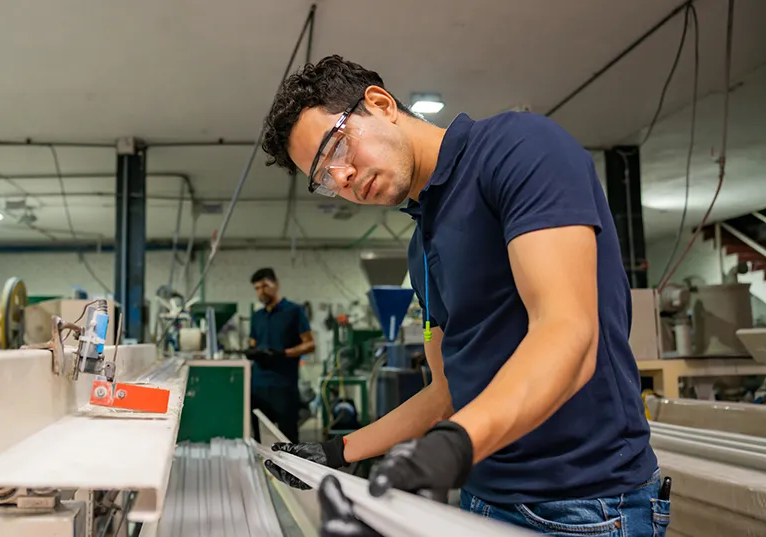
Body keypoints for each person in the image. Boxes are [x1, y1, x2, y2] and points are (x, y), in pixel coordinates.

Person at [258, 55, 668, 537]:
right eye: (325, 178)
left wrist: (453, 447)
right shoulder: (421, 245)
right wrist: (339, 451)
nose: (342, 177)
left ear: (380, 103)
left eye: (338, 147)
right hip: (483, 497)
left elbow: (568, 332)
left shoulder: (519, 149)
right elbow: (446, 390)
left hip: (583, 503)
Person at [245, 268, 316, 443]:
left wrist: (284, 353)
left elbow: (310, 344)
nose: (261, 291)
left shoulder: (294, 311)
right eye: (257, 288)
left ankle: (289, 463)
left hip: (284, 386)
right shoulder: (257, 316)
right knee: (259, 438)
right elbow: (253, 342)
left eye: (265, 286)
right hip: (258, 387)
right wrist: (252, 352)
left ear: (276, 285)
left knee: (287, 438)